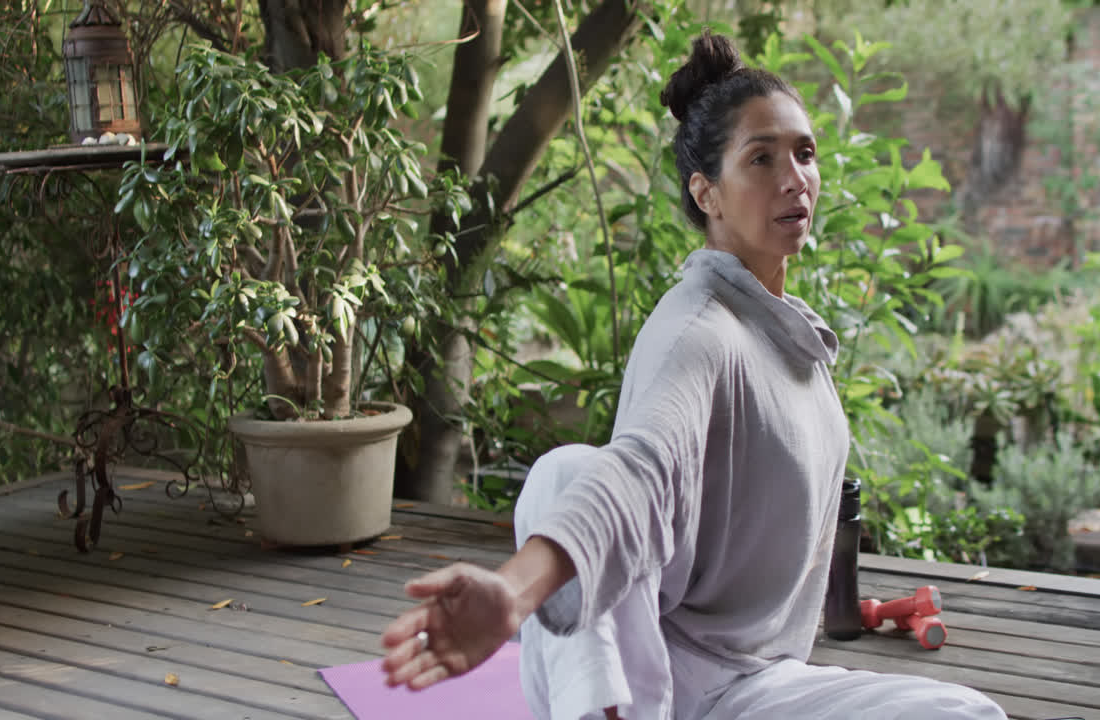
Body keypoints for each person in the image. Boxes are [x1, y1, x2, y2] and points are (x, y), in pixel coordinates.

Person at [381, 30, 1008, 720]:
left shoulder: (788, 339)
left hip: (756, 686)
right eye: (762, 158)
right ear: (706, 193)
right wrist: (516, 589)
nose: (794, 177)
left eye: (804, 153)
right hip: (643, 675)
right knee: (568, 471)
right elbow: (639, 474)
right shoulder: (698, 330)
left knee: (965, 715)